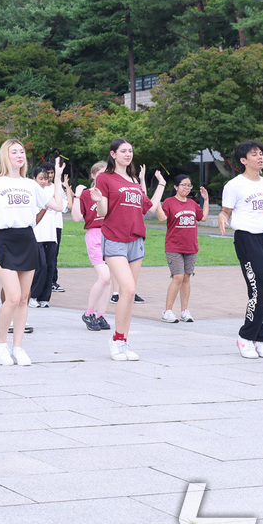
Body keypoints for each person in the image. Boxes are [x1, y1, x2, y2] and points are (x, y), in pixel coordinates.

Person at [0, 141, 65, 366]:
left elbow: (57, 205)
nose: (19, 155)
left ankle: (18, 347)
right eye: (14, 152)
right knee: (12, 297)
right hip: (5, 240)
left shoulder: (30, 184)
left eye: (21, 151)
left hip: (27, 239)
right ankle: (1, 343)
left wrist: (57, 178)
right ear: (5, 156)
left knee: (23, 299)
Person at [95, 140, 158, 361]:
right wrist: (97, 201)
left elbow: (146, 209)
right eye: (123, 151)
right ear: (113, 154)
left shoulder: (133, 180)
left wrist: (159, 185)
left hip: (136, 240)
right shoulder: (105, 178)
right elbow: (103, 211)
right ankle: (116, 340)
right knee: (128, 289)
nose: (128, 154)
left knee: (128, 296)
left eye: (130, 151)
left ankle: (123, 341)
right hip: (114, 239)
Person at [218, 141, 263, 359]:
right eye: (255, 154)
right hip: (246, 238)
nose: (260, 157)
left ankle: (260, 340)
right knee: (258, 288)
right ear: (243, 160)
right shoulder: (234, 185)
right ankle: (245, 337)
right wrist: (222, 217)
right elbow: (226, 211)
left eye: (261, 153)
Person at [156, 173, 209, 324]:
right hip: (174, 246)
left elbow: (203, 217)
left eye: (189, 185)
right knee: (178, 277)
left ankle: (184, 311)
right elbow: (161, 218)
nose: (186, 188)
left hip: (191, 246)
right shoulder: (169, 202)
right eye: (183, 185)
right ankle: (167, 311)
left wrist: (206, 200)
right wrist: (158, 203)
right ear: (176, 187)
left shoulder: (192, 203)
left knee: (186, 278)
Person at [71, 162, 111, 331]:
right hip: (95, 235)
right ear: (93, 175)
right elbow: (76, 217)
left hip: (111, 235)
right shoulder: (87, 194)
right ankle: (89, 312)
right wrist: (77, 196)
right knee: (104, 277)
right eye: (101, 173)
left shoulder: (110, 193)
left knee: (109, 280)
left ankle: (101, 315)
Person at [28, 163, 66, 310]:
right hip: (37, 235)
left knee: (50, 266)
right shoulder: (31, 192)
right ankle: (33, 296)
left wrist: (58, 175)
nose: (43, 181)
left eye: (45, 178)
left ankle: (44, 297)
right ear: (34, 179)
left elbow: (61, 205)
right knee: (41, 266)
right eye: (40, 178)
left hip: (51, 235)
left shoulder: (51, 190)